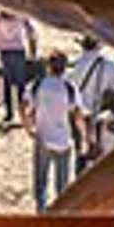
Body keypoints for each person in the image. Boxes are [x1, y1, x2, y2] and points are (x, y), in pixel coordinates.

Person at [27, 53, 79, 208]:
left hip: (42, 137)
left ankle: (41, 212)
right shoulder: (69, 87)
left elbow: (23, 105)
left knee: (41, 182)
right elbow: (77, 114)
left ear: (48, 67)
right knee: (62, 184)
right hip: (63, 139)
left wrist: (29, 128)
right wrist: (85, 137)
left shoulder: (38, 85)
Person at [0, 8, 36, 123]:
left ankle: (9, 113)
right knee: (21, 85)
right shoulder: (21, 16)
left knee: (7, 84)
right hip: (18, 51)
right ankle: (22, 112)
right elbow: (31, 32)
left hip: (4, 52)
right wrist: (33, 51)